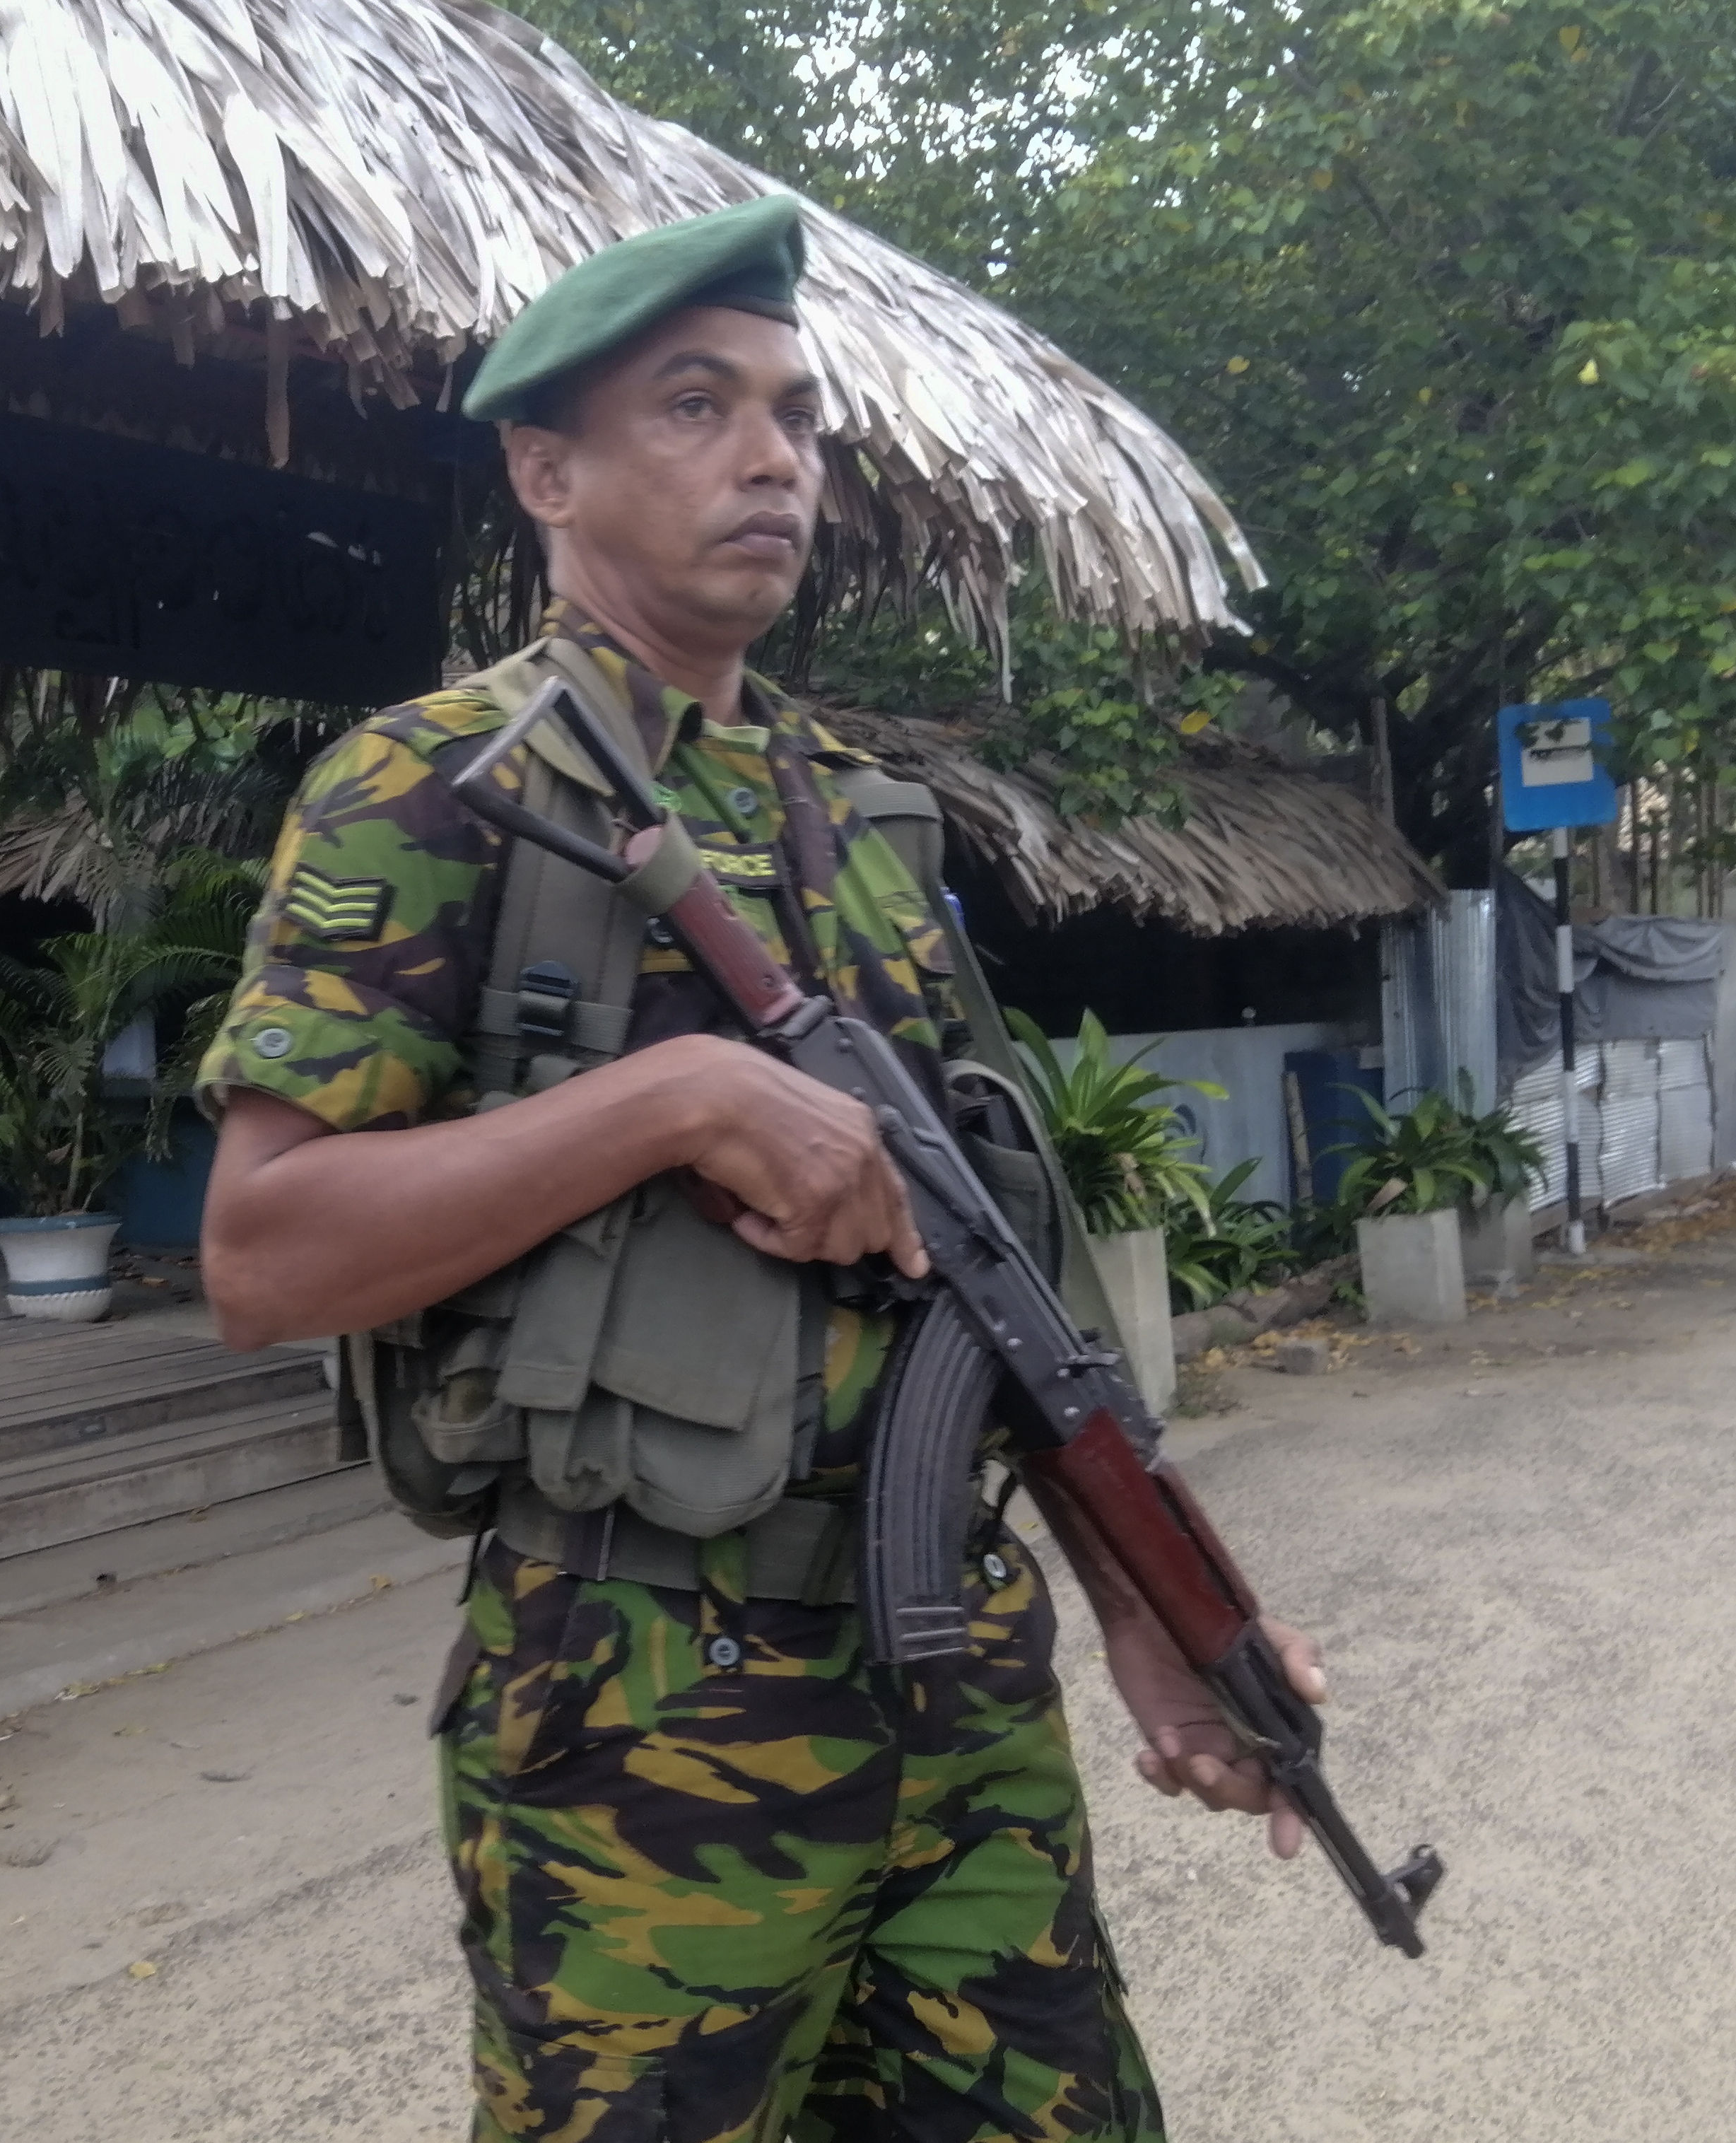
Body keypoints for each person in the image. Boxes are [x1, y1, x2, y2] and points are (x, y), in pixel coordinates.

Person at [195, 194, 1322, 2143]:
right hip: (642, 1702)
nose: (770, 458)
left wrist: (1150, 1609)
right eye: (698, 407)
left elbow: (987, 1282)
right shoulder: (430, 788)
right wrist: (671, 1100)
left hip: (952, 1675)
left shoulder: (860, 810)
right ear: (545, 470)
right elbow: (264, 1257)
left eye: (797, 417)